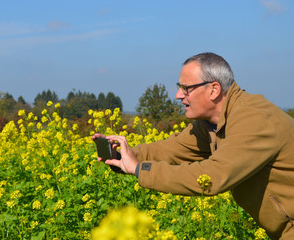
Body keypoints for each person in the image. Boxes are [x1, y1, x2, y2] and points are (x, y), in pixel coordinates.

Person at [92, 52, 294, 240]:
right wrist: (121, 156)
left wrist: (139, 169)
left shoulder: (253, 119)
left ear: (214, 89)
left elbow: (212, 176)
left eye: (186, 88)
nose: (178, 95)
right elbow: (171, 150)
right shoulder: (210, 124)